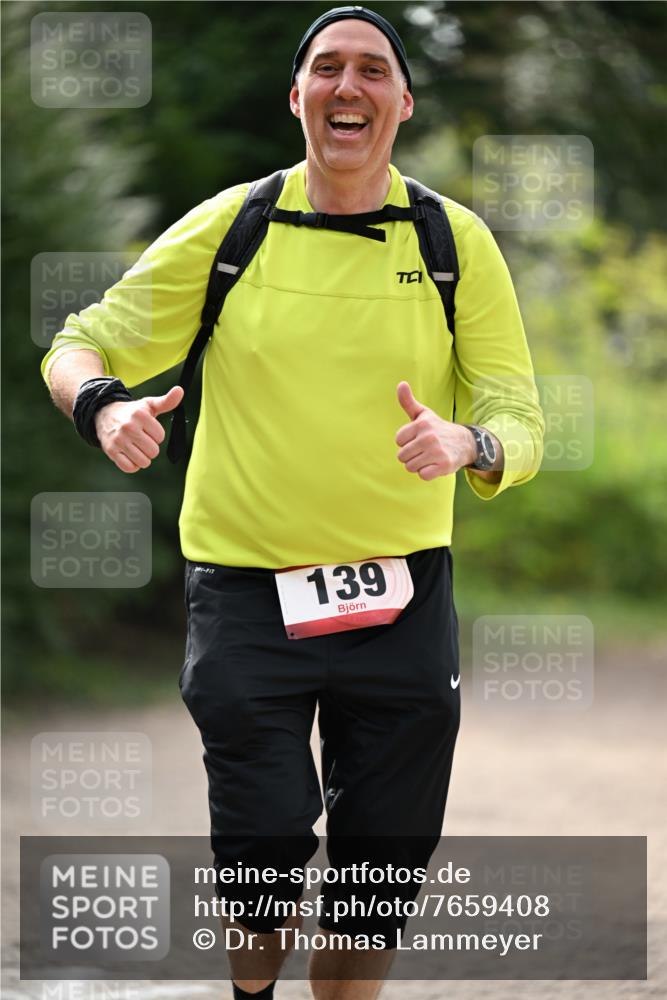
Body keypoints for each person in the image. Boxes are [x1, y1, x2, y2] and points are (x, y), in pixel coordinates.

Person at [41, 6, 544, 998]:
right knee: (262, 850)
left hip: (401, 600)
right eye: (326, 69)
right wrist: (103, 409)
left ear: (402, 102)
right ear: (297, 96)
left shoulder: (454, 242)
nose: (346, 86)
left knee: (373, 881)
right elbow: (76, 342)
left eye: (370, 71)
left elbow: (518, 417)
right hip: (246, 598)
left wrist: (469, 442)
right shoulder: (235, 226)